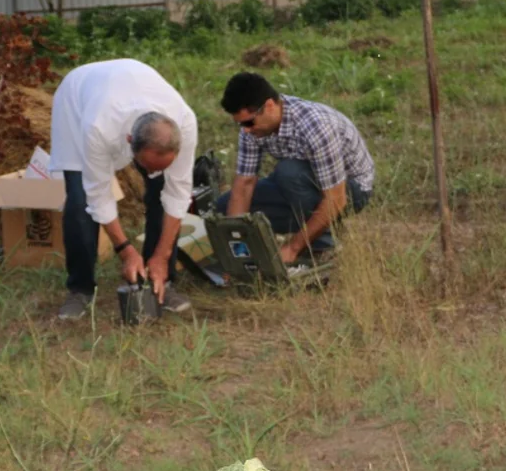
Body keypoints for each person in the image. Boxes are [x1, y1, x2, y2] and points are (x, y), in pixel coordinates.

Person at [49, 58, 197, 320]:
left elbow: (178, 195)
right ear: (130, 142)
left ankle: (163, 279)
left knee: (162, 192)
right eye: (147, 165)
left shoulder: (184, 123)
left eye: (160, 166)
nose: (151, 172)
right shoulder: (97, 127)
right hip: (77, 100)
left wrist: (161, 255)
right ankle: (80, 290)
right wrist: (126, 251)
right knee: (79, 199)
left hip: (129, 82)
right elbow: (99, 196)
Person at [215, 72, 373, 261]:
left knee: (289, 173)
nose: (246, 130)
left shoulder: (316, 127)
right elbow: (244, 184)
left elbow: (336, 199)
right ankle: (319, 229)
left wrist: (292, 248)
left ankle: (322, 246)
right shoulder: (251, 129)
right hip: (300, 184)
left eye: (249, 122)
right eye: (241, 124)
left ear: (269, 106)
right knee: (225, 209)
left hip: (349, 190)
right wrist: (237, 246)